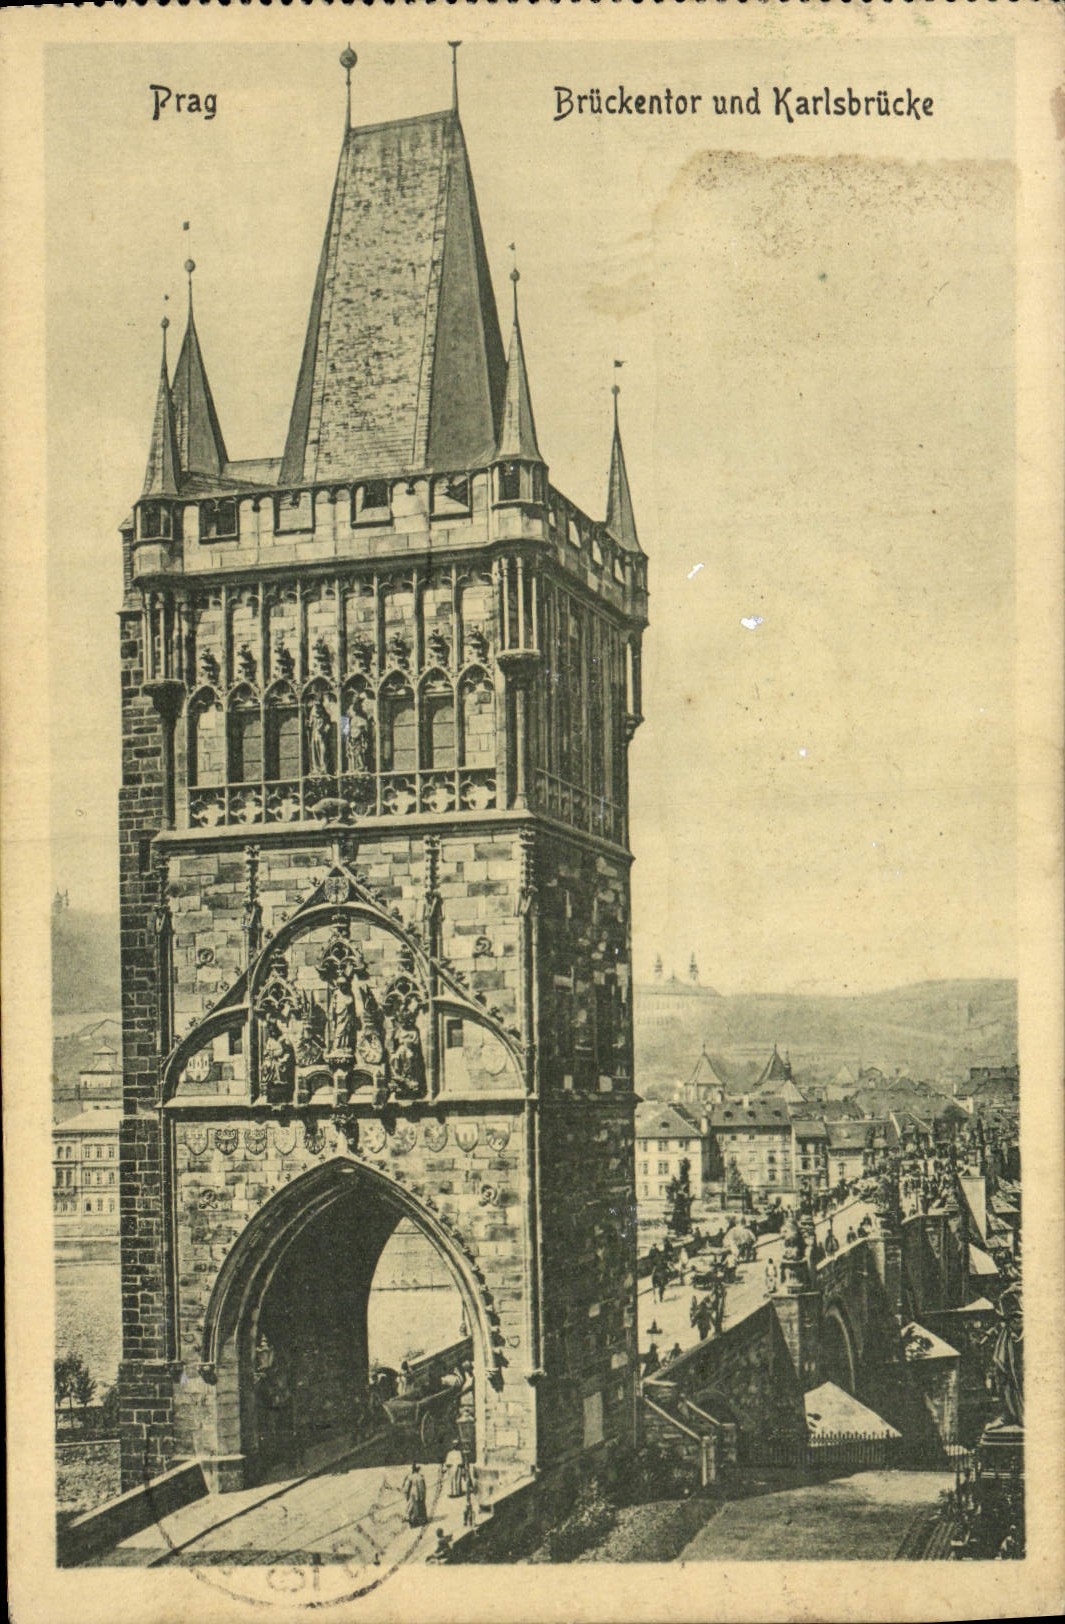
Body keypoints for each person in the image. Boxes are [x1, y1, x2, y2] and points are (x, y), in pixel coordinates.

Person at [402, 1462, 428, 1527]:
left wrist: (406, 1494)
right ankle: (420, 1521)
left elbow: (406, 1487)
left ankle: (411, 1520)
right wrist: (423, 1496)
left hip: (412, 1495)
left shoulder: (410, 1477)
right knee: (419, 1508)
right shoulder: (420, 1477)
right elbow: (422, 1488)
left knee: (412, 1507)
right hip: (419, 1496)